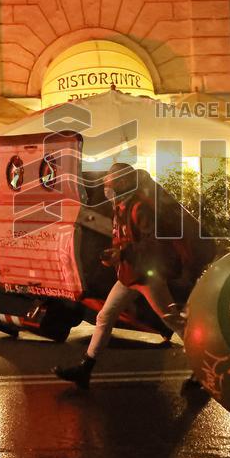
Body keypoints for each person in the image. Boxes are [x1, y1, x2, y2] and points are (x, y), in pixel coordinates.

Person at [53, 163, 202, 392]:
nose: (106, 188)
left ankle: (202, 368)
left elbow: (154, 242)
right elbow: (124, 241)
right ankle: (85, 369)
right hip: (129, 275)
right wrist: (114, 256)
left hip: (146, 277)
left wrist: (122, 254)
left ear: (122, 183)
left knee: (172, 320)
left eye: (109, 182)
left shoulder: (138, 208)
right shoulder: (121, 207)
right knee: (105, 316)